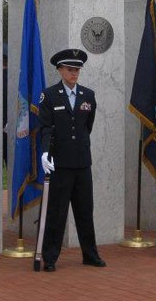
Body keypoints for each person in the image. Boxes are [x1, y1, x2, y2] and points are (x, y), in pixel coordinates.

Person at [38, 48, 106, 272]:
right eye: (70, 69)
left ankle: (90, 254)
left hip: (82, 161)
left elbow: (87, 126)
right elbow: (46, 127)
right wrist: (45, 152)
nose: (74, 73)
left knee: (85, 210)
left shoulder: (88, 95)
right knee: (57, 212)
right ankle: (49, 257)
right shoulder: (49, 96)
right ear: (60, 70)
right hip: (60, 162)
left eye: (77, 69)